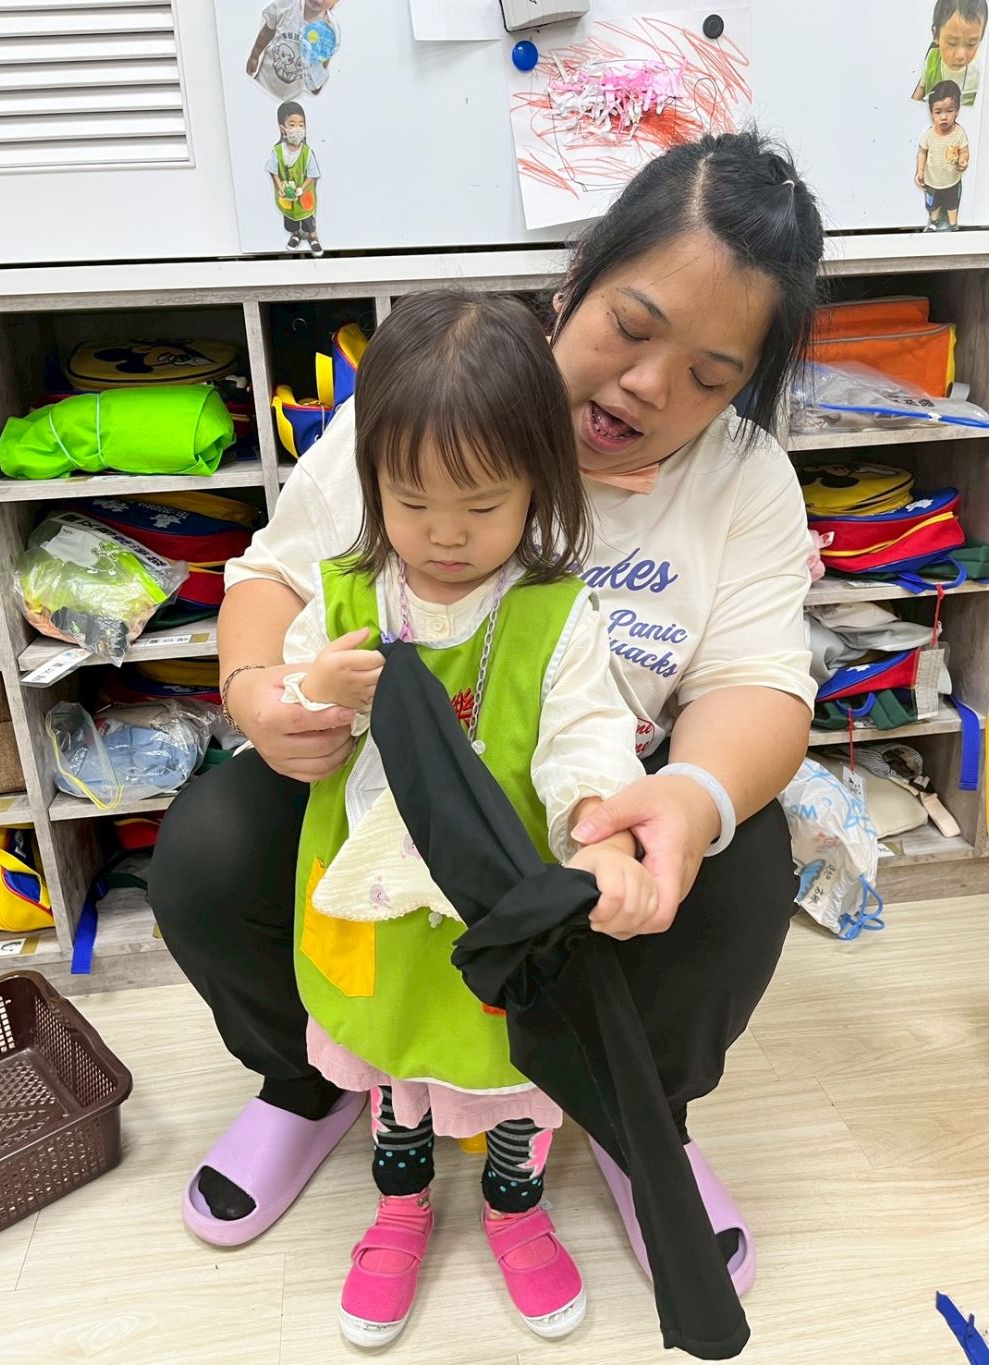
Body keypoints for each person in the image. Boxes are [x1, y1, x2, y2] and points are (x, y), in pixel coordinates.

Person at [150, 130, 825, 1301]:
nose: (649, 386)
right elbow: (274, 577)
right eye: (630, 326)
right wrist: (261, 695)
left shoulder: (741, 480)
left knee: (745, 864)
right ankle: (311, 1083)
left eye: (709, 376)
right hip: (379, 792)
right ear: (572, 286)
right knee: (209, 846)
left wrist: (681, 799)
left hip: (580, 809)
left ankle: (632, 1116)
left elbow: (758, 686)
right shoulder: (427, 405)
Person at [282, 291, 651, 1345]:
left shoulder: (554, 613)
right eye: (412, 502)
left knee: (516, 1072)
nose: (445, 534)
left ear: (539, 480)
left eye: (482, 505)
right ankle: (399, 1209)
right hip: (382, 913)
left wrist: (602, 824)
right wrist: (312, 692)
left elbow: (587, 737)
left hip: (501, 909)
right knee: (393, 1065)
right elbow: (293, 711)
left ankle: (515, 1209)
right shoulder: (348, 597)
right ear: (372, 483)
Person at [246, 0, 341, 100]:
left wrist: (317, 81)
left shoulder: (329, 31)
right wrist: (254, 56)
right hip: (265, 81)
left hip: (294, 94)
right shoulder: (286, 6)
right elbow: (268, 31)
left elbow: (324, 58)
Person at [267, 102, 322, 255]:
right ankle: (295, 235)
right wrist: (280, 187)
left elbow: (312, 175)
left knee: (308, 219)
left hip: (304, 195)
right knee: (290, 218)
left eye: (301, 125)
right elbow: (273, 172)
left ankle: (313, 238)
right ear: (282, 128)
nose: (297, 128)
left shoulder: (307, 152)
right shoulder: (277, 151)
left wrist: (302, 189)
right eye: (292, 125)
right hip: (287, 196)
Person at [916, 80, 969, 231]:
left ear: (957, 110)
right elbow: (922, 152)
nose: (944, 117)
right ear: (931, 113)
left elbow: (964, 151)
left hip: (952, 181)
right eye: (938, 112)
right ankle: (934, 221)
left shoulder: (959, 133)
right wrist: (920, 171)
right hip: (932, 181)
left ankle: (953, 224)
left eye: (949, 111)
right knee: (933, 205)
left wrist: (963, 160)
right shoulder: (929, 135)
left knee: (953, 204)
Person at [912, 0, 987, 106]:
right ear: (936, 35)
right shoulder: (932, 59)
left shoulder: (978, 74)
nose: (960, 55)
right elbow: (921, 87)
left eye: (971, 44)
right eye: (952, 43)